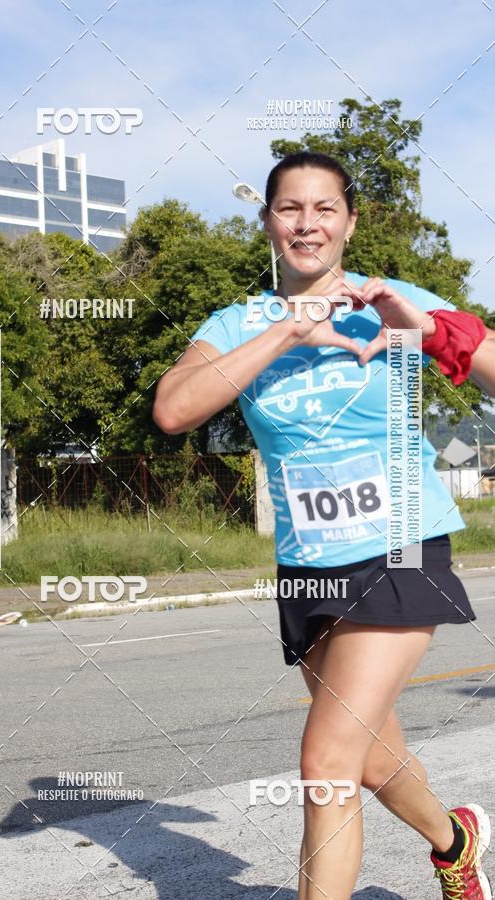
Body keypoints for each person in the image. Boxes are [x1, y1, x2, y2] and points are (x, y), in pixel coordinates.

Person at [152, 150, 495, 899]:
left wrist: (430, 330)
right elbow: (174, 409)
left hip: (401, 544)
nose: (307, 224)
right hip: (310, 562)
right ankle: (456, 840)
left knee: (326, 762)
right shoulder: (238, 322)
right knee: (369, 757)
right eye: (290, 209)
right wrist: (286, 333)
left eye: (324, 208)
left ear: (349, 221)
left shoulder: (392, 296)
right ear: (269, 221)